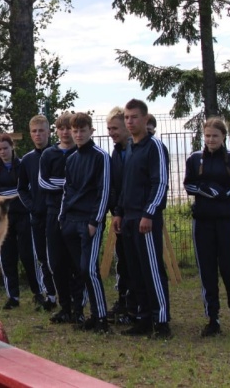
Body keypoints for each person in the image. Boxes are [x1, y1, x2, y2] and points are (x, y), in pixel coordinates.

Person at [112, 99, 171, 338]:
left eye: (134, 117)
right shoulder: (130, 149)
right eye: (126, 117)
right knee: (134, 271)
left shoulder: (154, 147)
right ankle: (143, 319)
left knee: (152, 270)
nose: (129, 121)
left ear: (145, 120)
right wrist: (118, 212)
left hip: (146, 220)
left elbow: (160, 183)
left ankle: (162, 321)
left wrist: (149, 213)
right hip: (128, 220)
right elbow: (125, 187)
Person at [184, 117, 230, 336]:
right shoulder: (194, 159)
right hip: (202, 222)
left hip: (227, 222)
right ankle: (213, 319)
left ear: (223, 137)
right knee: (207, 271)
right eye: (208, 135)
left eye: (215, 136)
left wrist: (217, 193)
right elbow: (189, 185)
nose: (211, 140)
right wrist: (206, 189)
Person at [59, 113, 110, 333]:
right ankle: (88, 314)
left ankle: (102, 318)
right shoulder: (70, 159)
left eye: (82, 130)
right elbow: (66, 190)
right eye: (75, 130)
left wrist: (95, 220)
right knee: (79, 270)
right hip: (70, 221)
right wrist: (62, 218)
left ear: (91, 131)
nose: (78, 134)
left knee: (89, 269)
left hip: (89, 222)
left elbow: (104, 190)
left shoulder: (101, 157)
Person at [0, 133, 47, 310]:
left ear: (12, 147)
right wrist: (13, 195)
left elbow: (27, 190)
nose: (3, 152)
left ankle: (38, 293)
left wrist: (11, 196)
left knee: (29, 256)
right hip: (4, 220)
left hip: (24, 217)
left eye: (5, 148)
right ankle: (13, 296)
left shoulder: (23, 166)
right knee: (7, 258)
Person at [39, 112, 83, 324]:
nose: (65, 132)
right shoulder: (48, 155)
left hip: (75, 216)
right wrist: (66, 185)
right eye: (61, 128)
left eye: (69, 128)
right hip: (52, 215)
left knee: (76, 263)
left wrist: (67, 186)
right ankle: (64, 307)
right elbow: (43, 183)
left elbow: (82, 186)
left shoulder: (80, 152)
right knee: (56, 263)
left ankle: (78, 307)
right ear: (56, 131)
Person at [17, 114, 57, 311]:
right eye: (34, 131)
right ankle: (50, 296)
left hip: (57, 215)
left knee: (59, 258)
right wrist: (32, 207)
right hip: (37, 217)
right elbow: (21, 188)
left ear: (49, 132)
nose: (38, 135)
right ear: (30, 135)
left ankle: (68, 296)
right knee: (42, 257)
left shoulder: (59, 154)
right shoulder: (27, 160)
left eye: (42, 131)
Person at [105, 107, 134, 323]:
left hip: (135, 215)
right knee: (123, 261)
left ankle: (136, 305)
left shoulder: (136, 150)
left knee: (135, 263)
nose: (111, 132)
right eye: (109, 129)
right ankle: (123, 301)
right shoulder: (116, 152)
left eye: (115, 128)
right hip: (120, 216)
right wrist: (115, 211)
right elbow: (115, 186)